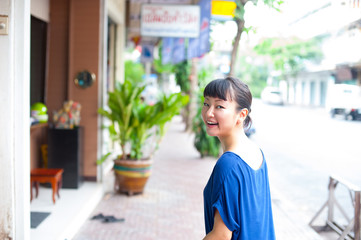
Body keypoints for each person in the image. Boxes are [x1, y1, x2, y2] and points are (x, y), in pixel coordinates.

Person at [202, 77, 275, 240]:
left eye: (219, 106)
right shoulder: (256, 152)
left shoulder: (229, 164)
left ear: (241, 115)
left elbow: (220, 236)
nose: (209, 113)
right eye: (206, 103)